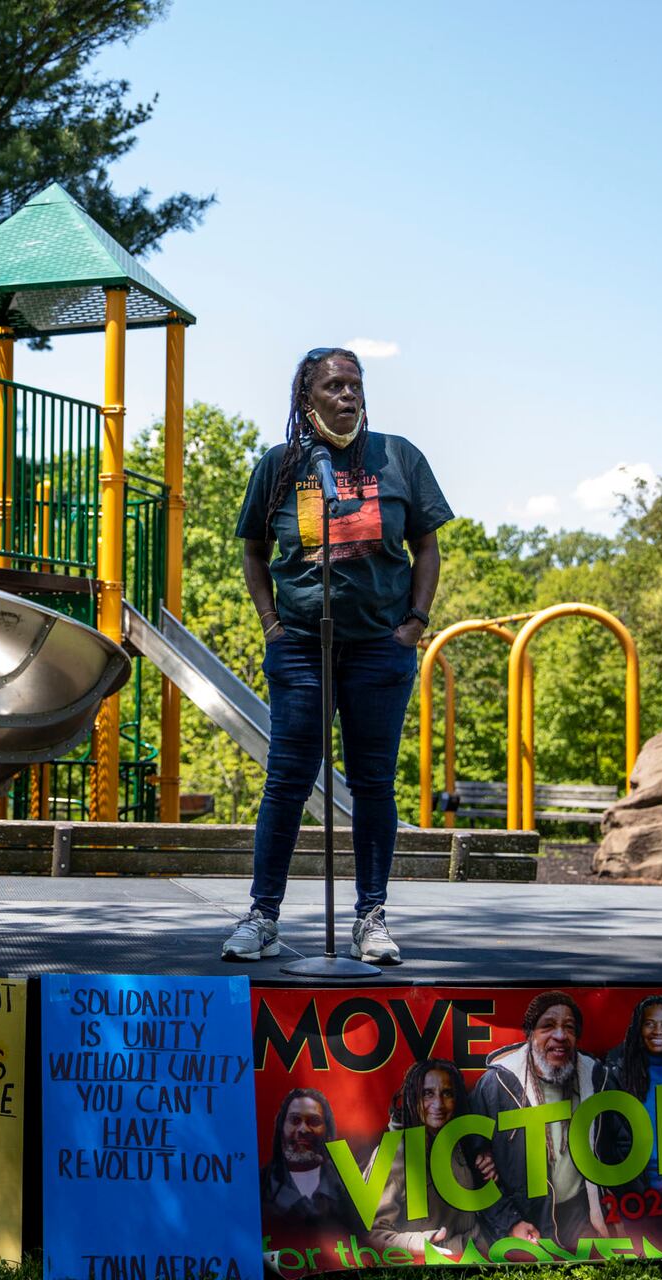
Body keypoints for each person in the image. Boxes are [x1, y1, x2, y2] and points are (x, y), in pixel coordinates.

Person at [221, 346, 451, 964]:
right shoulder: (280, 465)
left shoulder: (399, 457)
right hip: (299, 645)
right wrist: (270, 621)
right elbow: (252, 550)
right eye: (335, 386)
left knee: (373, 782)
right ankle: (262, 917)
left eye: (356, 384)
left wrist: (416, 623)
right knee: (288, 779)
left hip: (381, 646)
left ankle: (371, 918)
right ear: (308, 398)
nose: (349, 395)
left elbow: (427, 547)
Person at [471, 992, 609, 1248]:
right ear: (530, 1034)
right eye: (548, 1026)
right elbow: (473, 1170)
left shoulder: (596, 1078)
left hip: (582, 1217)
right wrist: (510, 1223)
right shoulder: (496, 1086)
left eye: (569, 1027)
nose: (560, 1036)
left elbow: (618, 1145)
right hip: (525, 1219)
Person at [362, 1060, 488, 1255]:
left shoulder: (464, 1143)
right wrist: (423, 1244)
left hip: (474, 1258)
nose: (438, 1104)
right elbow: (371, 1234)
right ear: (412, 1098)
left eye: (447, 1093)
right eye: (427, 1093)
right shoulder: (391, 1153)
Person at [596, 995, 662, 1197]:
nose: (658, 1031)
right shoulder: (616, 1070)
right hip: (631, 1187)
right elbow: (606, 1136)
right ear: (638, 1028)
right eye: (650, 1024)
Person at [261, 1087, 365, 1237]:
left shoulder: (349, 1184)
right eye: (295, 1120)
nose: (303, 1129)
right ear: (280, 1127)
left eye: (314, 1121)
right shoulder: (259, 1186)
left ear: (328, 1131)